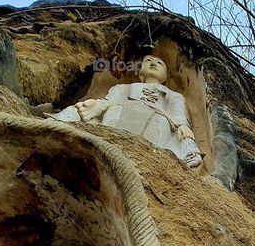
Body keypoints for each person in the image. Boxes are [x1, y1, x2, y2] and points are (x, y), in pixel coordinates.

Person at [49, 55, 203, 168]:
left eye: (159, 63)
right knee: (81, 108)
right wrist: (97, 106)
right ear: (140, 73)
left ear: (165, 77)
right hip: (118, 118)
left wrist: (182, 125)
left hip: (157, 122)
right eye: (148, 61)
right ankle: (54, 123)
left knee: (185, 140)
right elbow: (108, 103)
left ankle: (185, 163)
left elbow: (178, 115)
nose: (153, 63)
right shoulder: (123, 88)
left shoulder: (173, 95)